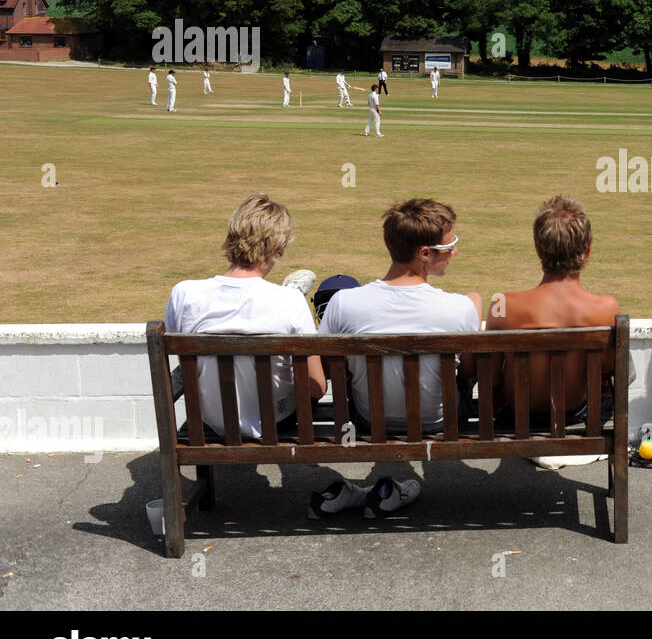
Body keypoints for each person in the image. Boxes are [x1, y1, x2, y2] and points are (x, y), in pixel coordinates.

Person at [317, 199, 481, 515]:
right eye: (451, 245)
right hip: (439, 422)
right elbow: (470, 370)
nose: (455, 252)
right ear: (424, 254)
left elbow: (327, 368)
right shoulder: (459, 307)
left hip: (367, 420)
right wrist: (475, 303)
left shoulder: (342, 303)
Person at [163, 194, 326, 440]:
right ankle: (292, 286)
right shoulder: (291, 302)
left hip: (211, 420)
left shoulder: (184, 293)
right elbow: (317, 387)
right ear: (278, 250)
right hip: (277, 422)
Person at [486, 196, 622, 418]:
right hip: (573, 414)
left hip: (515, 417)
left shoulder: (501, 304)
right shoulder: (607, 306)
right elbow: (607, 369)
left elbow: (490, 377)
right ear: (588, 250)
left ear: (538, 247)